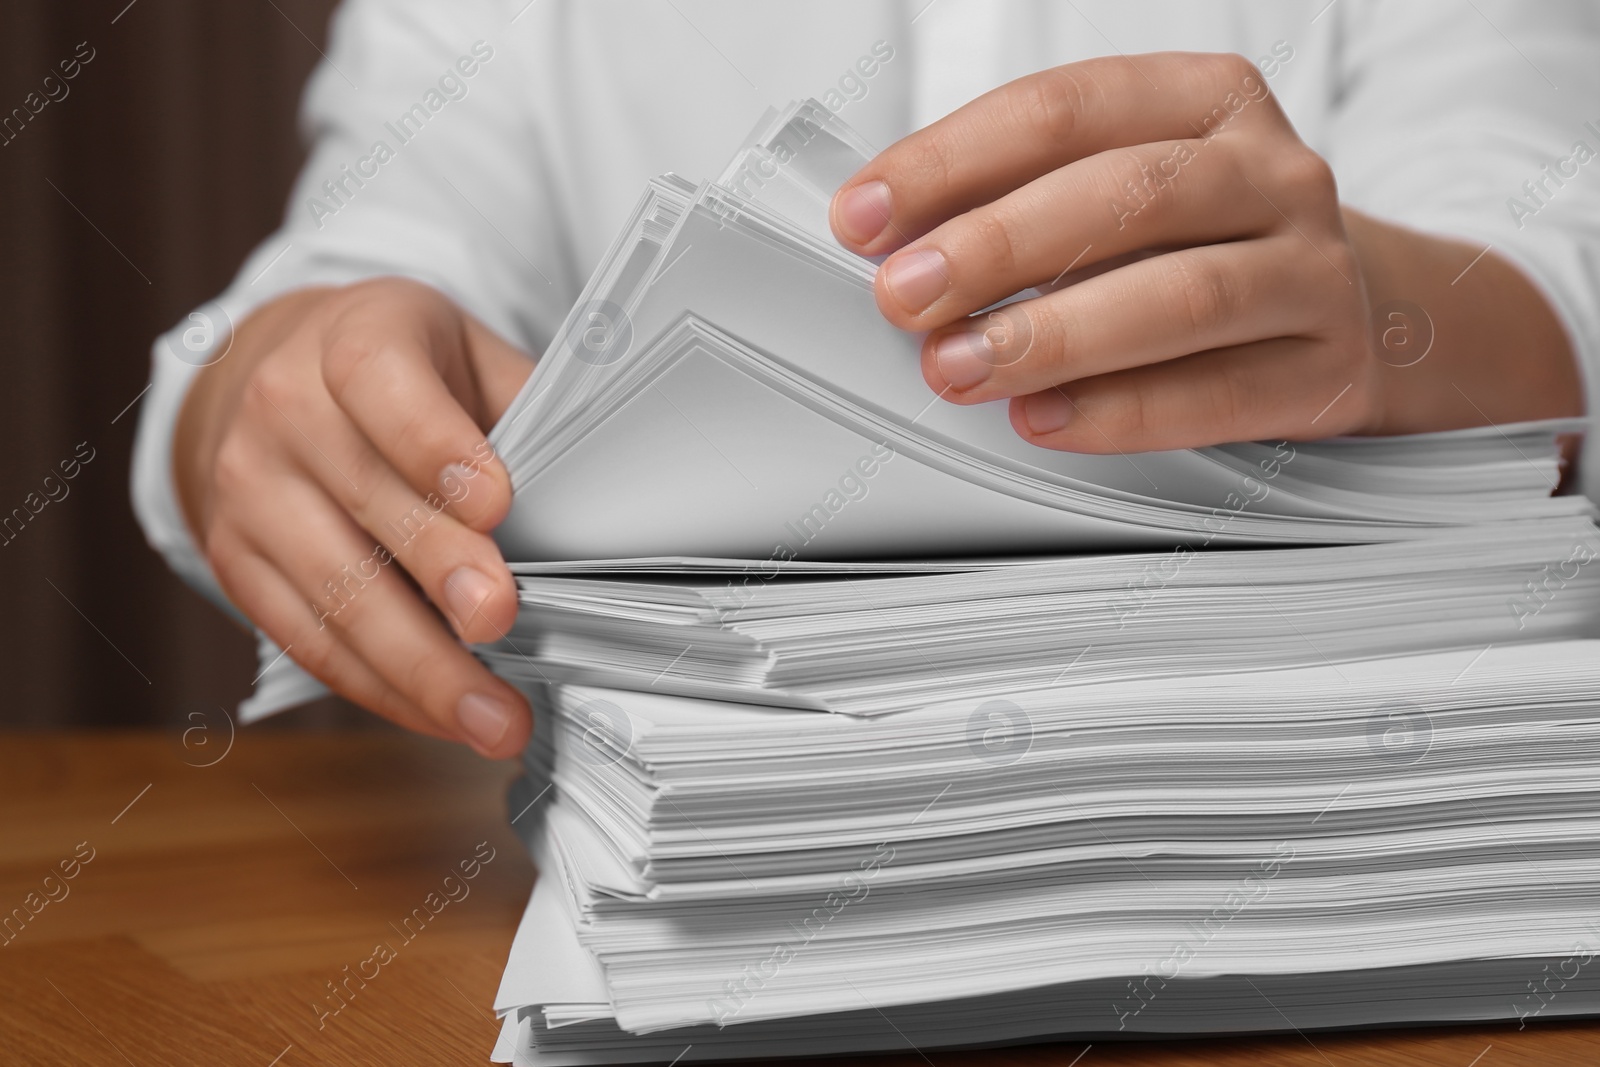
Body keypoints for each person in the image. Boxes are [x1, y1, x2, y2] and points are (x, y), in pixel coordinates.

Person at [132, 0, 1600, 759]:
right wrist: (261, 390)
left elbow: (1551, 243)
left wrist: (1383, 303)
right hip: (674, 858)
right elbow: (361, 260)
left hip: (1332, 813)